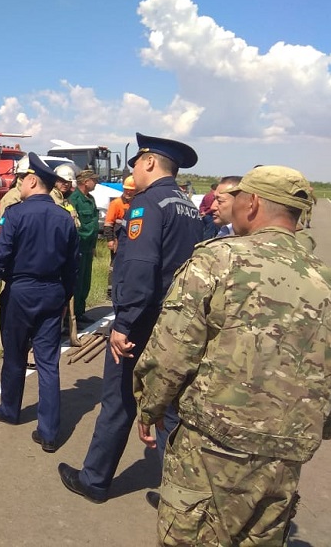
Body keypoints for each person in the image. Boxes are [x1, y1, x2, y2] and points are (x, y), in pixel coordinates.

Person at [133, 165, 331, 546]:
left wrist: (150, 406)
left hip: (212, 448)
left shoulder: (218, 260)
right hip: (285, 453)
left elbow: (172, 351)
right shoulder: (325, 278)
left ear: (252, 203)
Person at [58, 132, 203, 504]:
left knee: (120, 399)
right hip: (176, 324)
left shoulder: (147, 204)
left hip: (141, 323)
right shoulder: (186, 205)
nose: (133, 170)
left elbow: (139, 267)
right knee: (170, 408)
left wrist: (122, 324)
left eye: (135, 162)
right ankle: (183, 495)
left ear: (150, 162)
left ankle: (94, 479)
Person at [0, 153, 80, 452]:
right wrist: (66, 297)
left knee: (14, 354)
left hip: (21, 292)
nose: (20, 184)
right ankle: (49, 432)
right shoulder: (65, 217)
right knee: (49, 363)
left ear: (33, 181)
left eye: (22, 179)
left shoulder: (15, 214)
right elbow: (73, 265)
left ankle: (10, 410)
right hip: (53, 292)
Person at [68, 169, 100, 323]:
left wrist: (93, 245)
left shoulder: (90, 199)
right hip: (78, 246)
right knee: (77, 282)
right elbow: (75, 226)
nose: (96, 183)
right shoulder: (74, 199)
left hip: (88, 247)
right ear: (85, 181)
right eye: (94, 180)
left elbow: (93, 223)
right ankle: (72, 315)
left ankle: (80, 312)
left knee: (86, 281)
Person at [103, 176, 136, 298]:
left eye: (131, 190)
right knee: (115, 265)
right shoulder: (116, 203)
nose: (128, 192)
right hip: (118, 238)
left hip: (131, 239)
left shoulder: (137, 203)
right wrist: (110, 240)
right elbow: (108, 223)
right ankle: (111, 292)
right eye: (126, 189)